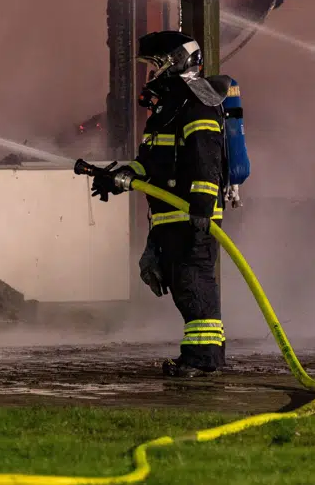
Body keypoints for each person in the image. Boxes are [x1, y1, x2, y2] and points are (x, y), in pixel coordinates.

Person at [93, 31, 229, 378]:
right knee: (179, 283)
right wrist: (119, 177)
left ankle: (203, 358)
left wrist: (201, 201)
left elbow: (206, 154)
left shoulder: (197, 101)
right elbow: (152, 164)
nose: (151, 73)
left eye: (155, 64)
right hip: (169, 215)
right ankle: (203, 354)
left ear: (175, 62)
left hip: (190, 214)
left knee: (193, 281)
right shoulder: (168, 108)